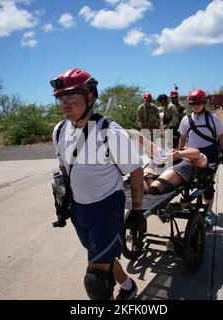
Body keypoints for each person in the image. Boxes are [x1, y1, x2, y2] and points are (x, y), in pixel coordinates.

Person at [50, 68, 144, 300]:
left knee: (95, 280)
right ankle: (129, 287)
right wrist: (65, 197)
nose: (65, 103)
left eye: (71, 96)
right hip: (79, 210)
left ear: (90, 96)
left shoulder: (110, 132)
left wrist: (138, 211)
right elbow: (64, 167)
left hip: (107, 209)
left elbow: (135, 172)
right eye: (61, 98)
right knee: (103, 259)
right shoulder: (60, 130)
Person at [178, 89, 223, 226]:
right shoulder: (186, 120)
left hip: (210, 154)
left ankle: (207, 212)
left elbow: (221, 137)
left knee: (207, 184)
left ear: (204, 103)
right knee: (192, 182)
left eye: (198, 103)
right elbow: (182, 139)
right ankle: (198, 207)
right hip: (191, 154)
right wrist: (179, 153)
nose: (195, 106)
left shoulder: (213, 118)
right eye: (192, 104)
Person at [129, 129, 207, 194]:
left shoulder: (194, 157)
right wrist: (140, 138)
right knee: (143, 185)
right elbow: (154, 148)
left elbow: (197, 153)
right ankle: (147, 181)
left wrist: (180, 154)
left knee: (156, 186)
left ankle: (152, 182)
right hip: (159, 167)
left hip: (176, 168)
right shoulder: (168, 151)